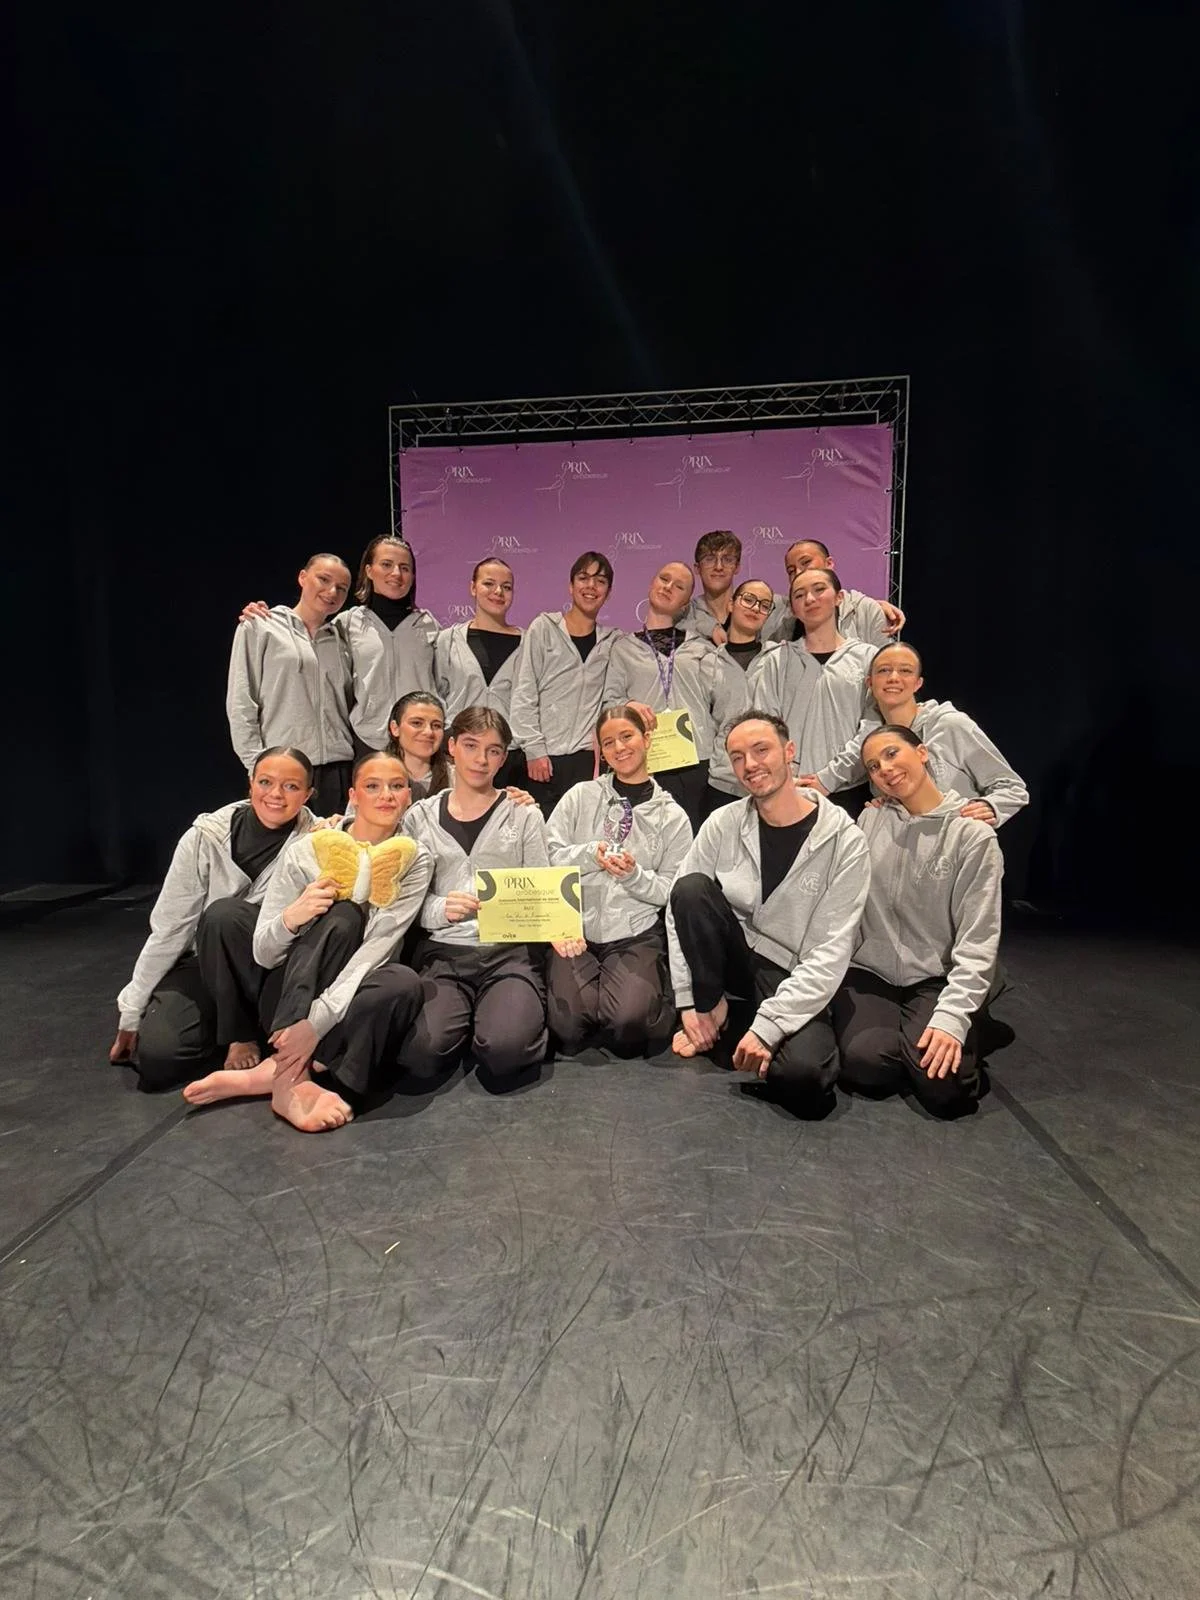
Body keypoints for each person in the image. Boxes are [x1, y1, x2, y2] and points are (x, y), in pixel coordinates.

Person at [182, 750, 433, 1132]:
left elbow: (376, 950)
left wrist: (315, 1025)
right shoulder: (307, 848)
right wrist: (293, 917)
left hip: (350, 993)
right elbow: (264, 953)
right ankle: (291, 1079)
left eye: (396, 786)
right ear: (353, 795)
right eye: (372, 786)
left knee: (403, 983)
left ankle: (272, 1072)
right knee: (343, 915)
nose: (386, 795)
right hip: (291, 994)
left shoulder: (415, 858)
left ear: (408, 796)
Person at [667, 713, 870, 1113]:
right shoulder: (723, 822)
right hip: (731, 962)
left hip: (790, 971)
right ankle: (716, 1009)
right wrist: (690, 1001)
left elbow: (830, 951)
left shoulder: (845, 840)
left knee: (805, 1077)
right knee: (691, 890)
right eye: (738, 757)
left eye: (761, 750)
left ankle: (740, 1025)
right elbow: (679, 910)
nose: (750, 765)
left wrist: (768, 1027)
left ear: (789, 751)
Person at [109, 748, 318, 1091]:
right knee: (160, 1058)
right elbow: (170, 929)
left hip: (272, 964)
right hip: (208, 962)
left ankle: (240, 1032)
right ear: (251, 783)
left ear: (307, 794)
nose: (276, 794)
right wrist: (131, 1011)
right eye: (266, 782)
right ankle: (227, 1024)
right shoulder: (204, 838)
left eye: (291, 786)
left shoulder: (317, 840)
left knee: (225, 915)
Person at [833, 725, 1003, 1117]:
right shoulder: (870, 820)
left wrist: (952, 1018)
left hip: (935, 973)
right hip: (873, 969)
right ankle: (911, 1038)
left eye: (892, 754)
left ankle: (974, 1008)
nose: (885, 769)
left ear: (922, 752)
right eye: (873, 766)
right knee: (865, 1065)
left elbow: (978, 938)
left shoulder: (972, 835)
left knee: (946, 1087)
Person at [402, 708, 552, 1088]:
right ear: (452, 746)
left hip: (509, 953)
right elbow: (405, 900)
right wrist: (439, 909)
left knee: (506, 1051)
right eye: (470, 746)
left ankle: (500, 1015)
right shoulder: (419, 818)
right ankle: (465, 1018)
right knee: (422, 1053)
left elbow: (542, 890)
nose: (481, 759)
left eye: (493, 750)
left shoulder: (523, 815)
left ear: (503, 759)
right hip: (445, 955)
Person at [545, 704, 692, 1058]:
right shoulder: (580, 796)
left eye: (627, 736)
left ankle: (652, 991)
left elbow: (670, 890)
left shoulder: (672, 817)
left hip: (634, 933)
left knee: (629, 1024)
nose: (619, 748)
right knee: (568, 1027)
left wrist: (633, 875)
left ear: (647, 738)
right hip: (576, 932)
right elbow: (548, 856)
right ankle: (596, 994)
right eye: (608, 742)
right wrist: (588, 854)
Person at [239, 535, 439, 753]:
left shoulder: (429, 626)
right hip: (366, 745)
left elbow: (445, 685)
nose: (396, 573)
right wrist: (263, 613)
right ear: (369, 571)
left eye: (405, 568)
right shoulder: (345, 625)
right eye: (386, 564)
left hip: (422, 743)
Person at [813, 642, 1030, 826]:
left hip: (957, 849)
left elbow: (1011, 787)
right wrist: (886, 808)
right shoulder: (873, 745)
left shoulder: (950, 725)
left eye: (905, 671)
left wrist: (990, 806)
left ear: (918, 683)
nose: (893, 678)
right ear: (870, 682)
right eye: (884, 670)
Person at [226, 553, 355, 816]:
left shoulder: (341, 641)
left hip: (337, 771)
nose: (332, 591)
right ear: (303, 577)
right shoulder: (260, 626)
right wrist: (258, 765)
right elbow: (241, 702)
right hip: (283, 768)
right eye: (324, 579)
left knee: (331, 842)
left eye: (341, 588)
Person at [602, 562, 721, 829]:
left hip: (697, 762)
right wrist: (628, 705)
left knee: (695, 838)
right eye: (664, 579)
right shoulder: (623, 647)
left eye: (679, 586)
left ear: (686, 603)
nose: (668, 587)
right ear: (651, 584)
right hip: (647, 760)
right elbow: (609, 702)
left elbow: (720, 706)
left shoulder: (702, 647)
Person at [754, 565, 876, 812]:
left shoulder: (867, 657)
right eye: (799, 595)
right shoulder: (777, 659)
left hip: (851, 791)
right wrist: (785, 774)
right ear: (793, 608)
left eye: (819, 589)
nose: (809, 599)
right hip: (789, 787)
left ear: (839, 597)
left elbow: (872, 726)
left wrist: (830, 777)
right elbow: (765, 724)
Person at [509, 551, 620, 815]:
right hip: (542, 759)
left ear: (608, 593)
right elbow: (524, 691)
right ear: (571, 586)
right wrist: (534, 749)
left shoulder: (613, 641)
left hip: (585, 761)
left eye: (600, 581)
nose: (591, 586)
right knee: (539, 832)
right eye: (583, 578)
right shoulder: (543, 627)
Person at [434, 557, 526, 787]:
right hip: (458, 755)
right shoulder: (448, 640)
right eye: (489, 584)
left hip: (510, 756)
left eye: (506, 587)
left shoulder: (529, 644)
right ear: (473, 587)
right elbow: (436, 695)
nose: (498, 592)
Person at [705, 578, 781, 815]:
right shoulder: (707, 662)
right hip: (723, 781)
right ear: (731, 604)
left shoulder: (781, 657)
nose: (755, 608)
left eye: (764, 605)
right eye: (748, 600)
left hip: (772, 778)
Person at [764, 539, 904, 646]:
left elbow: (886, 663)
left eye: (806, 562)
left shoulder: (864, 610)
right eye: (791, 571)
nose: (799, 572)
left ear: (829, 563)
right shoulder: (780, 612)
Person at [386, 691, 451, 800]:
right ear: (395, 728)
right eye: (417, 723)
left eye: (436, 725)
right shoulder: (373, 773)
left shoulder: (457, 779)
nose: (428, 732)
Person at [683, 529, 742, 642]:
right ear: (697, 568)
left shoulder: (756, 609)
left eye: (727, 560)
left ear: (737, 567)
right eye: (709, 559)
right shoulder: (685, 614)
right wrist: (710, 628)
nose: (719, 567)